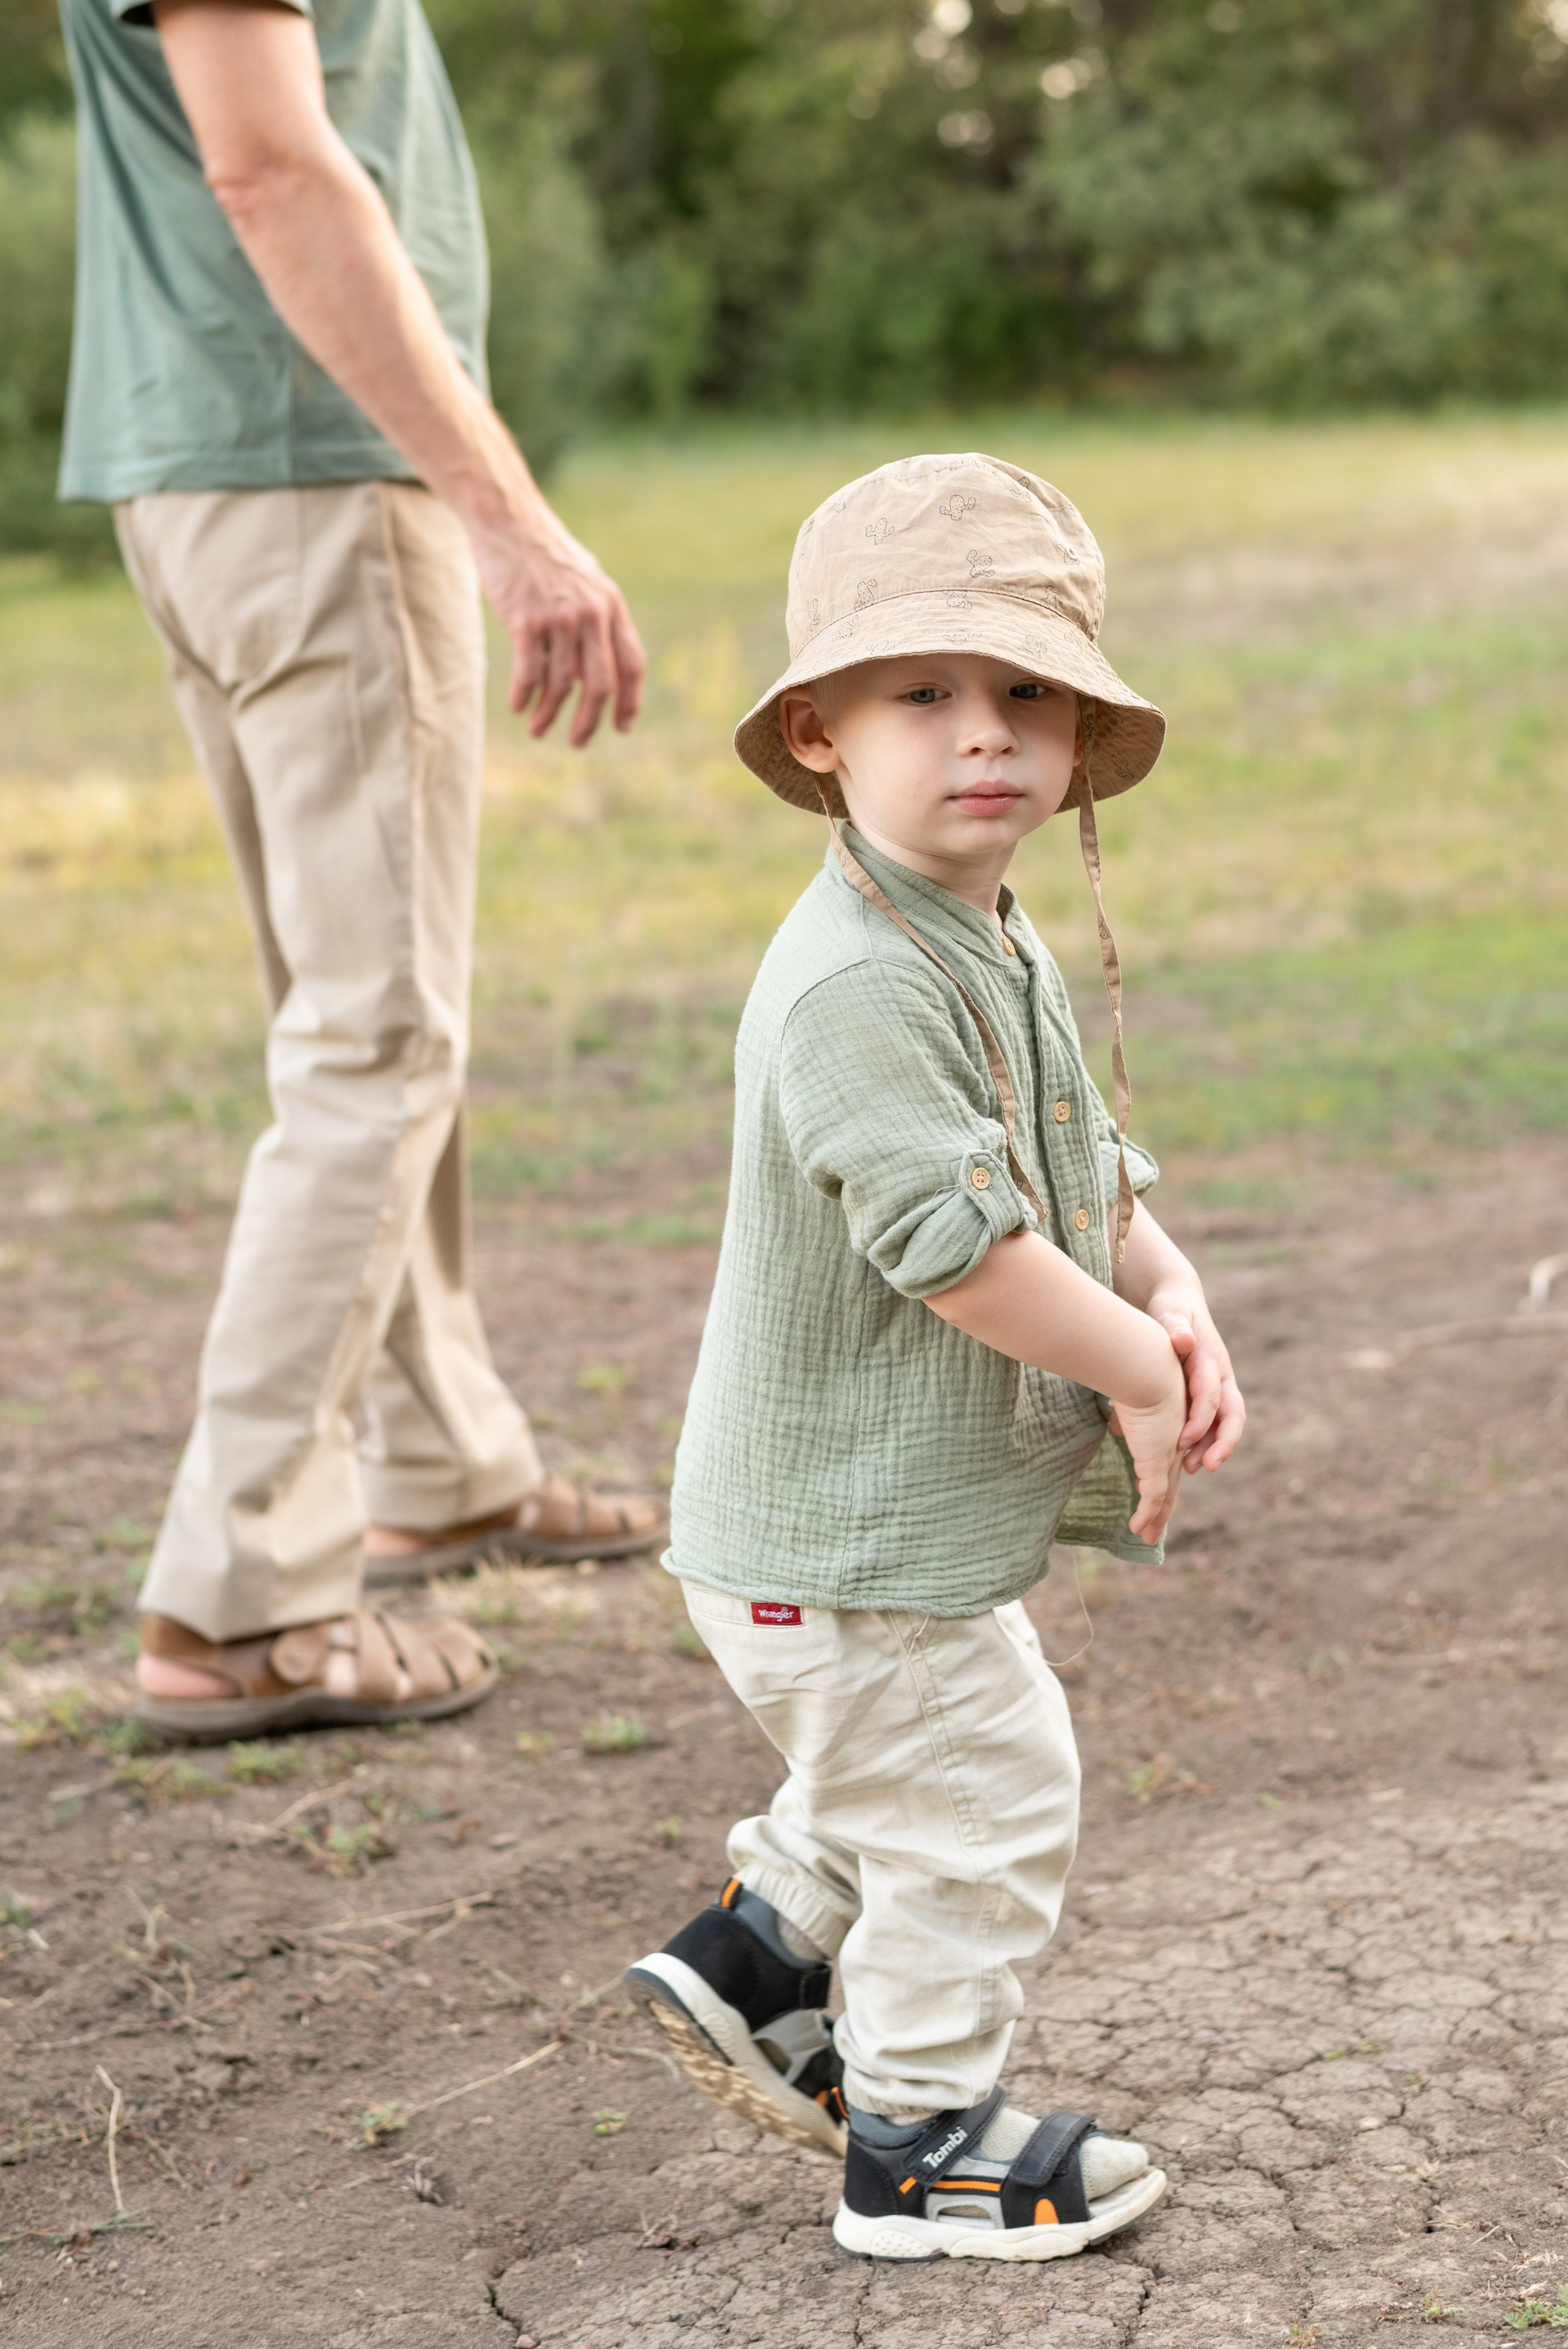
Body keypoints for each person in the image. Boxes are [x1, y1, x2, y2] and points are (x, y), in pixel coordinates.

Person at [626, 453, 1246, 2261]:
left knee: (923, 1747)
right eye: (923, 691)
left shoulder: (972, 920)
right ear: (817, 730)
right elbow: (965, 1254)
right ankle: (917, 2140)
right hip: (828, 1538)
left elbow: (1066, 1159)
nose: (986, 732)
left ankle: (758, 1955)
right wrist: (1134, 1368)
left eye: (1027, 691)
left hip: (866, 1531)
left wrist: (1168, 1286)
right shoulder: (856, 985)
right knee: (986, 1789)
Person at [55, 0, 663, 1741]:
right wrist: (506, 514)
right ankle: (241, 1601)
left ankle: (443, 1458)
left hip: (211, 468)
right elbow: (266, 163)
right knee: (376, 1040)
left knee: (358, 1017)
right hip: (313, 471)